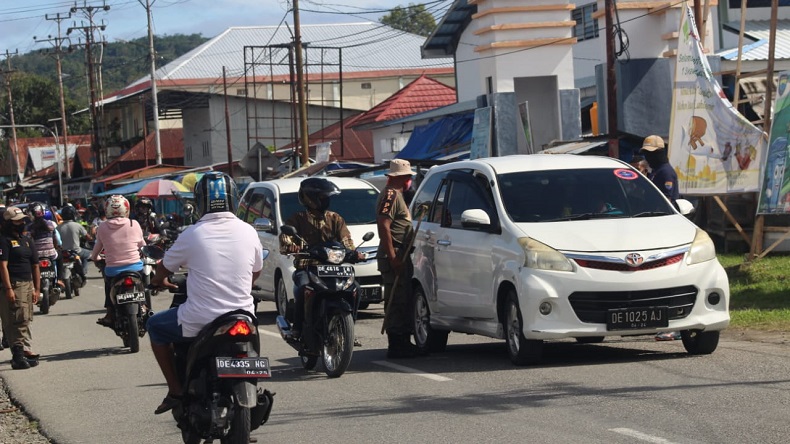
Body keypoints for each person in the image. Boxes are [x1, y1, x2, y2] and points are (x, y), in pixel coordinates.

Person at [147, 172, 263, 415]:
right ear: (234, 199)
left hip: (201, 318)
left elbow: (163, 269)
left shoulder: (192, 233)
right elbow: (255, 272)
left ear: (200, 201)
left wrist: (158, 280)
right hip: (244, 316)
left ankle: (175, 390)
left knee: (155, 326)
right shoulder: (249, 231)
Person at [279, 178, 362, 342]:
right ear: (310, 199)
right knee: (303, 288)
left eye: (327, 197)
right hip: (307, 268)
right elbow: (285, 240)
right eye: (323, 197)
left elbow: (347, 241)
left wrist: (354, 253)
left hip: (334, 269)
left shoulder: (335, 218)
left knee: (356, 289)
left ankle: (349, 327)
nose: (326, 200)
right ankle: (297, 329)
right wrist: (291, 246)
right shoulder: (297, 219)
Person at [376, 159, 420, 359]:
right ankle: (397, 344)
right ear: (402, 177)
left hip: (401, 252)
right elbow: (384, 225)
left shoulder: (398, 195)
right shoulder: (391, 195)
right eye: (408, 176)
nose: (409, 179)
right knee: (396, 300)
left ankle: (404, 341)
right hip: (394, 253)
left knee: (403, 298)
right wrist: (393, 257)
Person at [641, 135, 682, 341]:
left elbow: (665, 202)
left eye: (652, 153)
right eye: (646, 153)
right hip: (653, 231)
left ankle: (676, 325)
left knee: (670, 279)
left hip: (665, 232)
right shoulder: (654, 172)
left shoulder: (665, 172)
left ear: (660, 152)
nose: (648, 157)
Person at [90, 195, 146, 326]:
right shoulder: (134, 223)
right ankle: (144, 306)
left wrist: (95, 258)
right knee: (142, 284)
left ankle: (110, 313)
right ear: (126, 209)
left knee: (108, 286)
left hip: (113, 271)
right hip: (135, 267)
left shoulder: (102, 227)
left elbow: (97, 248)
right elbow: (142, 245)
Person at [0, 206, 41, 369]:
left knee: (26, 318)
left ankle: (21, 353)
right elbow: (2, 266)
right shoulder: (4, 240)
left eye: (22, 220)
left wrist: (37, 288)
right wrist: (8, 288)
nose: (21, 223)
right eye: (17, 221)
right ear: (8, 223)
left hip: (27, 284)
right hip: (14, 284)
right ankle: (17, 356)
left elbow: (35, 265)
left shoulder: (27, 240)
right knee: (18, 319)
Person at [27, 202, 61, 296]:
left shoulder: (29, 227)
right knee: (60, 257)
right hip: (51, 254)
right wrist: (55, 247)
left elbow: (28, 242)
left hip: (36, 255)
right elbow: (55, 239)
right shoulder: (51, 224)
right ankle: (59, 279)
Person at [55, 205, 89, 283]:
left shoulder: (58, 227)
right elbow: (88, 237)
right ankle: (83, 273)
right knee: (87, 255)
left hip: (62, 252)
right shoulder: (77, 225)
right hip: (76, 251)